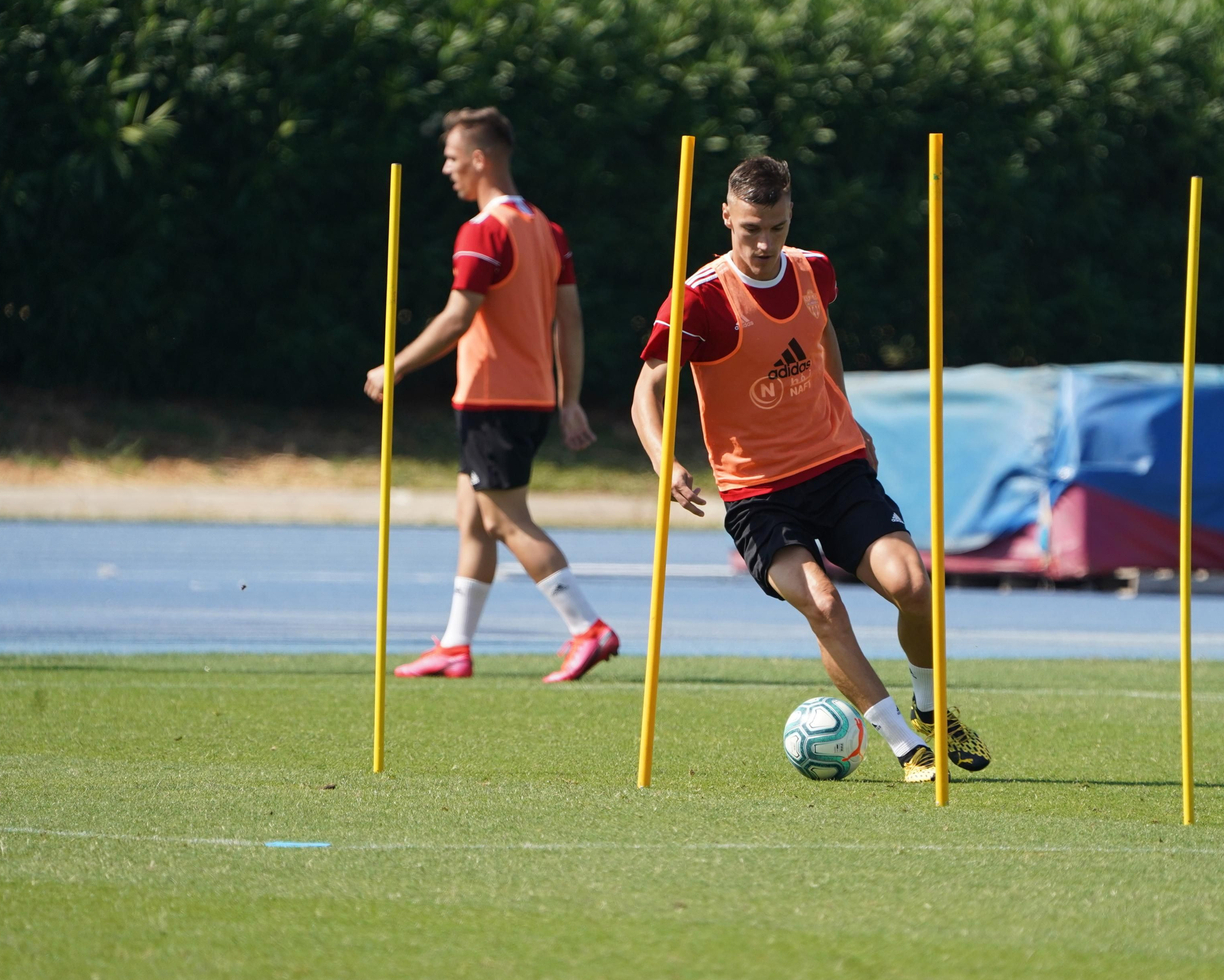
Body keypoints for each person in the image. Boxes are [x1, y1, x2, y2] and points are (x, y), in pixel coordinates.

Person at [630, 155, 990, 783]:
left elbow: (822, 337)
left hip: (836, 465)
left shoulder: (813, 269)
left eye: (776, 227)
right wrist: (666, 461)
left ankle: (931, 709)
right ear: (725, 216)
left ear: (790, 214)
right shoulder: (699, 299)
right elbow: (646, 391)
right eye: (750, 229)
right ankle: (908, 747)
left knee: (914, 586)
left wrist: (847, 414)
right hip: (758, 492)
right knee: (823, 602)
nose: (763, 244)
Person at [365, 107, 618, 683]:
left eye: (452, 158)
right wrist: (569, 398)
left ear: (479, 160)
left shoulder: (484, 230)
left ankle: (588, 628)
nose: (447, 170)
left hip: (493, 400)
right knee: (473, 519)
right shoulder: (548, 229)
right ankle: (456, 646)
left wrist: (395, 366)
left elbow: (458, 316)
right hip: (526, 398)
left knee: (506, 521)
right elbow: (571, 321)